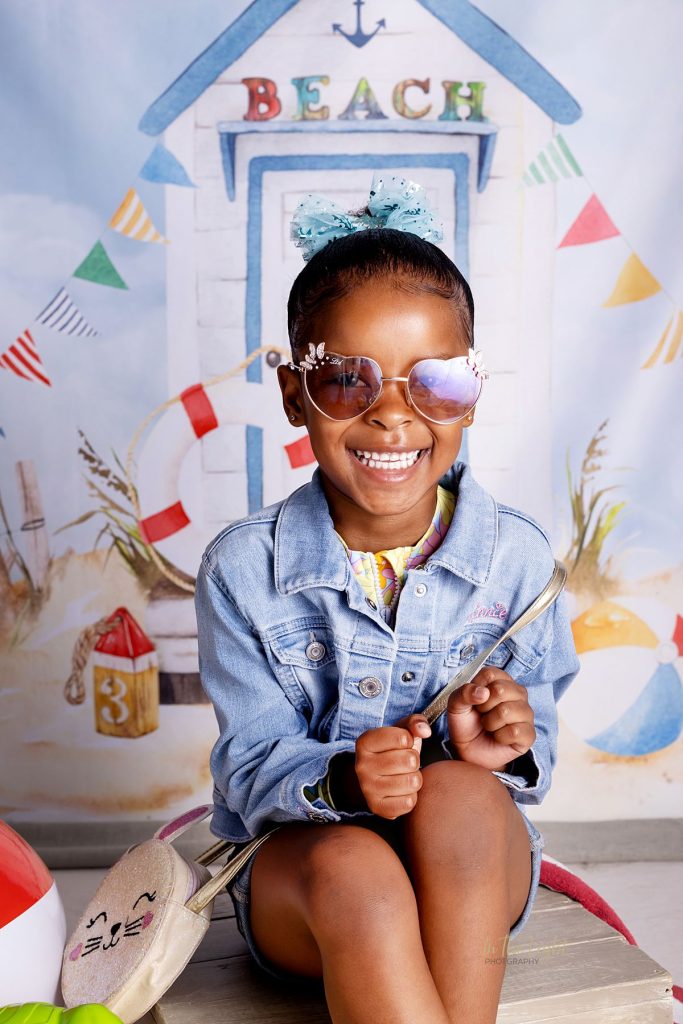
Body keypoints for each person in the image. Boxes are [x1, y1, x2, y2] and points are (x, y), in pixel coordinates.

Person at [194, 175, 579, 1024]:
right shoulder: (239, 571)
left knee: (462, 795)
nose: (393, 418)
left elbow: (535, 747)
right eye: (345, 382)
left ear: (472, 390)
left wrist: (501, 746)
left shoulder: (515, 560)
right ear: (295, 393)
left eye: (434, 382)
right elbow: (250, 765)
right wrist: (341, 779)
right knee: (358, 873)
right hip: (313, 890)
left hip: (468, 881)